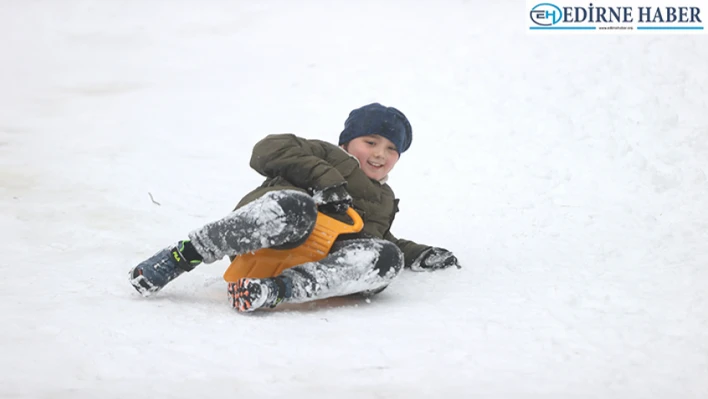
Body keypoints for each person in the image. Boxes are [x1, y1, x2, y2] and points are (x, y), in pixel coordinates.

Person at [129, 103, 460, 312]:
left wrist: (417, 254)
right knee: (297, 208)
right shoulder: (327, 156)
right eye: (370, 142)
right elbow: (267, 149)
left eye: (391, 149)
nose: (379, 154)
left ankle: (274, 291)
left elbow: (381, 237)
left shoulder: (383, 200)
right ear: (347, 143)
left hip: (308, 260)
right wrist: (325, 180)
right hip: (267, 232)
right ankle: (181, 256)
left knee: (386, 256)